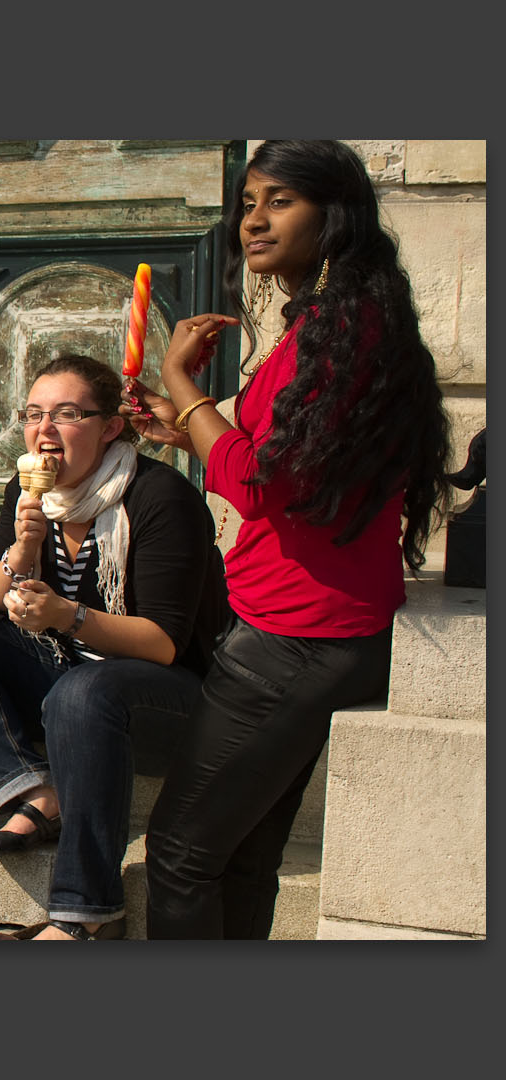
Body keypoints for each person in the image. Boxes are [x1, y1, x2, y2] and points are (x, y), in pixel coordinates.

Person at [125, 139, 451, 938]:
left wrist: (183, 386)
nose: (255, 220)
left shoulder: (335, 331)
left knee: (178, 850)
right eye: (248, 202)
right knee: (239, 854)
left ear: (332, 214)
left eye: (280, 200)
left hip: (295, 638)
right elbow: (294, 468)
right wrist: (188, 432)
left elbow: (266, 480)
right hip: (311, 628)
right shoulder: (341, 321)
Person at [0, 354, 229, 940]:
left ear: (111, 428)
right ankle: (34, 785)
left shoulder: (159, 497)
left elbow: (162, 644)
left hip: (162, 694)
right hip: (67, 676)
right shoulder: (27, 490)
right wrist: (21, 554)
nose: (43, 430)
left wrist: (68, 616)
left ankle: (87, 915)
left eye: (67, 414)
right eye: (33, 414)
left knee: (83, 693)